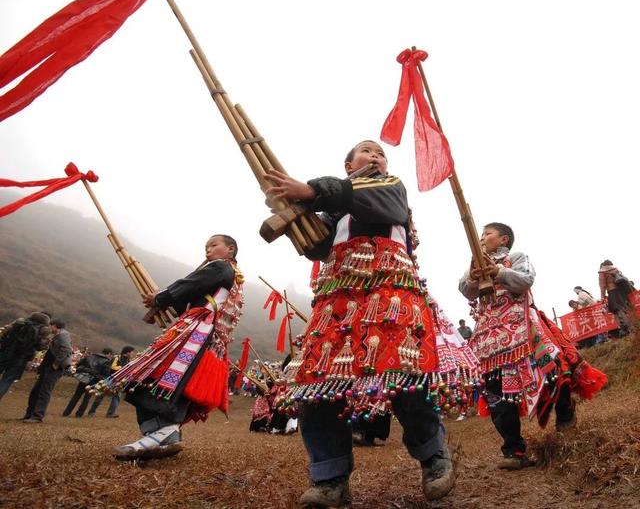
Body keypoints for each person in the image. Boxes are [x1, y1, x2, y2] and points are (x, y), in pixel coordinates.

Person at [265, 140, 455, 507]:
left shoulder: (389, 187)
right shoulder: (337, 212)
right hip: (339, 296)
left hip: (391, 291)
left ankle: (434, 458)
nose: (376, 156)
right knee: (319, 383)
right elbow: (317, 246)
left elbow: (364, 198)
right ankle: (329, 478)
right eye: (367, 151)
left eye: (380, 153)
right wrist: (293, 214)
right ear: (348, 164)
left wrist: (312, 190)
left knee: (406, 375)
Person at [459, 223, 607, 470]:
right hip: (488, 337)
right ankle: (514, 450)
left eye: (487, 234)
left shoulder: (516, 257)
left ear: (504, 239)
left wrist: (498, 272)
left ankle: (565, 414)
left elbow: (526, 280)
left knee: (552, 370)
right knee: (497, 392)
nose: (482, 238)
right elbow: (466, 292)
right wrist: (471, 276)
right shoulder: (474, 263)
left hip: (524, 327)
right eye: (481, 234)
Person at [97, 235, 244, 460]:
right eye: (206, 246)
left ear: (230, 250)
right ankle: (163, 436)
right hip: (197, 329)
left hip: (197, 331)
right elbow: (191, 293)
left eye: (214, 245)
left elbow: (190, 284)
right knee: (153, 378)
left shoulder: (221, 267)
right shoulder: (224, 275)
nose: (208, 250)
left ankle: (164, 433)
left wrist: (162, 297)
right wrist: (164, 301)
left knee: (163, 376)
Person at [23, 319, 73, 423]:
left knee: (44, 392)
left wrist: (56, 364)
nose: (49, 328)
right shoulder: (57, 335)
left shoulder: (63, 335)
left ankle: (37, 416)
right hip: (47, 367)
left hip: (54, 369)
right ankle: (29, 414)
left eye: (51, 326)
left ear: (55, 326)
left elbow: (65, 349)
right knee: (35, 392)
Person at [0, 313, 52, 400]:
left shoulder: (19, 323)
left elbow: (4, 336)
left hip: (5, 353)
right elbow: (40, 347)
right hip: (21, 359)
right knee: (6, 381)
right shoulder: (42, 331)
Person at [63, 348, 114, 417]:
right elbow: (105, 374)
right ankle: (79, 414)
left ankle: (66, 412)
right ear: (109, 354)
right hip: (94, 381)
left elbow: (78, 364)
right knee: (87, 398)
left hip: (84, 378)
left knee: (76, 396)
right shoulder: (106, 361)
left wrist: (85, 371)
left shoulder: (90, 356)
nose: (111, 357)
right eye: (111, 355)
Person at [88, 346, 135, 418]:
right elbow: (113, 367)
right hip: (110, 379)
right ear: (127, 352)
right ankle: (92, 411)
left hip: (119, 381)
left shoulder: (128, 361)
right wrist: (124, 368)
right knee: (101, 395)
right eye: (132, 352)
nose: (133, 353)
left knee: (117, 397)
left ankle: (110, 413)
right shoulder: (117, 357)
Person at [599, 260, 635, 337]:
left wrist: (602, 297)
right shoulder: (615, 269)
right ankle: (633, 326)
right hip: (621, 291)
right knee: (625, 309)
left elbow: (602, 286)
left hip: (612, 292)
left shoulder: (602, 272)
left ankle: (629, 329)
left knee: (618, 311)